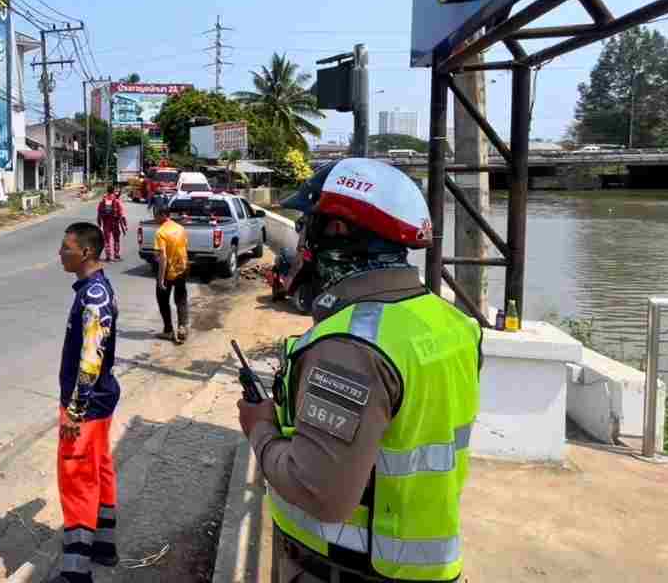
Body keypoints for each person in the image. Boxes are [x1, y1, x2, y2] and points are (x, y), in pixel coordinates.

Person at [236, 159, 482, 583]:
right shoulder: (453, 323)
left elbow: (321, 495)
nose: (299, 242)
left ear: (337, 232)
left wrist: (260, 429)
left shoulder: (349, 347)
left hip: (349, 567)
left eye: (305, 226)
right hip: (428, 556)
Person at [53, 222, 120, 583]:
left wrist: (74, 411)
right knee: (99, 468)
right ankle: (104, 546)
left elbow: (91, 358)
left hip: (87, 403)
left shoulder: (93, 295)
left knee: (77, 477)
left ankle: (76, 571)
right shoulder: (95, 289)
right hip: (101, 397)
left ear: (86, 252)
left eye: (66, 247)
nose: (60, 253)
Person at [152, 203, 190, 344]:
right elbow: (185, 247)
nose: (154, 217)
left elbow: (163, 258)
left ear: (163, 215)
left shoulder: (160, 232)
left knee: (162, 300)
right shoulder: (180, 228)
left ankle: (168, 330)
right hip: (182, 268)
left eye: (156, 214)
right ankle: (182, 327)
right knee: (181, 298)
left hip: (168, 271)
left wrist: (161, 279)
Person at [95, 185, 127, 262]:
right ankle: (116, 255)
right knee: (116, 239)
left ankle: (108, 256)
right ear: (113, 191)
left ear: (107, 191)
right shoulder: (116, 201)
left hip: (106, 223)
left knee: (107, 240)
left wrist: (99, 223)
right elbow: (122, 214)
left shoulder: (102, 201)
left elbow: (99, 214)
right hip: (115, 223)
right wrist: (125, 225)